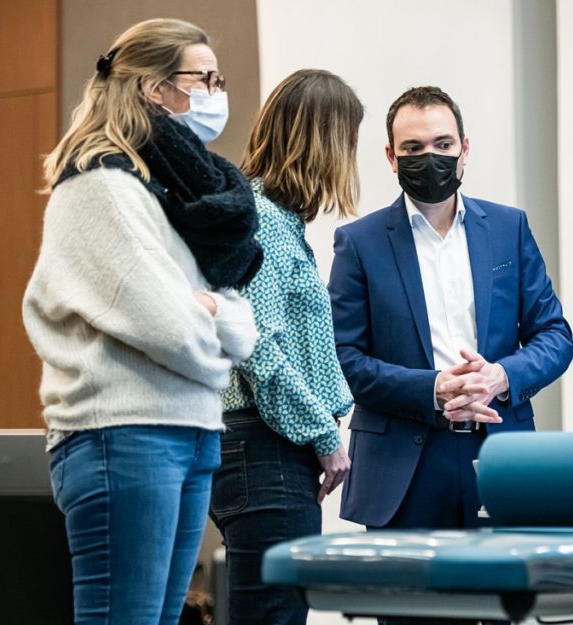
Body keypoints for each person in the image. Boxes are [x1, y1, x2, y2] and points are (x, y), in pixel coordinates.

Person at [22, 19, 261, 624]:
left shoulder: (163, 190)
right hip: (124, 432)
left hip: (190, 426)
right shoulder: (101, 182)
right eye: (202, 79)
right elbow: (172, 327)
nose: (214, 92)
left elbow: (240, 321)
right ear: (156, 89)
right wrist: (211, 325)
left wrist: (209, 312)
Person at [328, 86, 573, 532]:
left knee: (507, 598)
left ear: (464, 149)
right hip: (403, 466)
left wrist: (501, 376)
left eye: (442, 145)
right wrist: (434, 387)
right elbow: (344, 358)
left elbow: (555, 336)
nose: (430, 158)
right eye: (413, 148)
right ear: (391, 156)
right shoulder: (359, 243)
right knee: (410, 603)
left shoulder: (507, 228)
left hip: (499, 450)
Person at [209, 69, 361, 625]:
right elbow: (260, 347)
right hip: (265, 447)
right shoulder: (266, 224)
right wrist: (324, 438)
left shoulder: (271, 219)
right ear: (324, 142)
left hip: (258, 449)